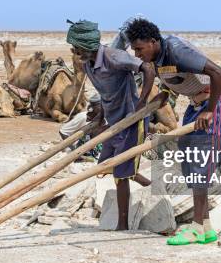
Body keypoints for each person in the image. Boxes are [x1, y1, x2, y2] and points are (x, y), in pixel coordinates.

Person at [125, 18, 221, 245]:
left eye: (139, 48)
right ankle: (205, 227)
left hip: (215, 101)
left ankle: (195, 228)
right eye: (134, 49)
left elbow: (218, 73)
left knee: (200, 162)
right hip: (195, 104)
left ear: (153, 42)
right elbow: (172, 80)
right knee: (187, 159)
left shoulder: (176, 50)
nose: (137, 54)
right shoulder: (157, 58)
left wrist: (211, 111)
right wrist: (160, 96)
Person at [66, 19, 155, 230]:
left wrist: (141, 103)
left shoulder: (113, 56)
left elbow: (148, 68)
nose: (76, 53)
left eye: (78, 48)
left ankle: (122, 225)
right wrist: (100, 118)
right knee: (106, 166)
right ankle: (151, 186)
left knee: (121, 174)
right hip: (114, 122)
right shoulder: (88, 64)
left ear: (88, 45)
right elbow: (106, 93)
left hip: (131, 121)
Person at [59, 93, 104, 160]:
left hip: (93, 147)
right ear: (94, 107)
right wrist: (75, 152)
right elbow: (63, 131)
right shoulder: (83, 117)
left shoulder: (103, 117)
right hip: (78, 148)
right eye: (101, 106)